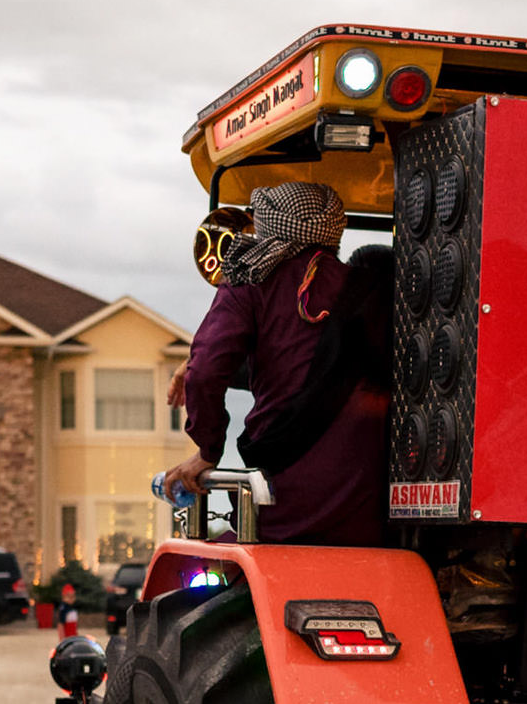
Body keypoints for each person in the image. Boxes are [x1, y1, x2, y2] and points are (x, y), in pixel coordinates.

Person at [164, 183, 392, 546]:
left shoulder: (249, 281)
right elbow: (307, 362)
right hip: (367, 503)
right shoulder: (365, 287)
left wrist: (208, 451)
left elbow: (207, 373)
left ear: (269, 226)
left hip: (289, 502)